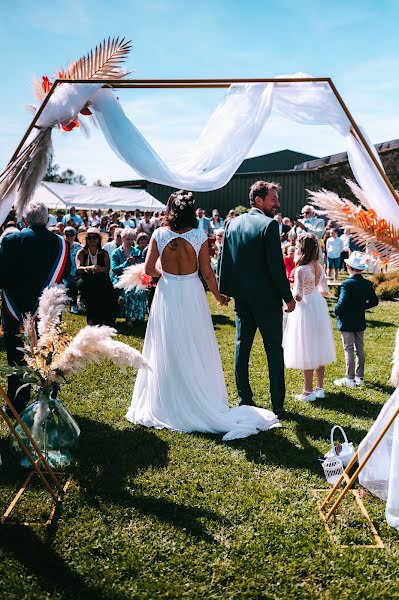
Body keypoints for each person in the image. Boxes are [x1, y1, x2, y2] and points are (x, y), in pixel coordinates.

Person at [126, 190, 280, 440]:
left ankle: (168, 397)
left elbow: (148, 269)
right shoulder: (198, 235)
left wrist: (165, 273)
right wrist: (219, 296)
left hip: (167, 293)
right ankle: (197, 393)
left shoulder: (158, 234)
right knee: (195, 343)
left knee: (167, 344)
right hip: (191, 292)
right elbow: (207, 273)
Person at [218, 181, 295, 418]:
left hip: (242, 299)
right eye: (273, 198)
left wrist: (225, 289)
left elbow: (224, 260)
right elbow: (275, 267)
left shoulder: (231, 223)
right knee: (274, 350)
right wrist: (287, 297)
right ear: (259, 200)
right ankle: (277, 404)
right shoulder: (270, 225)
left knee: (242, 347)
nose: (277, 203)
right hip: (266, 301)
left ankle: (244, 397)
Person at [0, 201, 70, 415]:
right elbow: (65, 275)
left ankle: (17, 404)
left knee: (17, 357)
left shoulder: (12, 240)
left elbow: (2, 278)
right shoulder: (61, 243)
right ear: (47, 219)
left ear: (24, 219)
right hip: (48, 308)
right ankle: (46, 401)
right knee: (48, 356)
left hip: (16, 308)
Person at [283, 234, 336, 401]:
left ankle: (308, 391)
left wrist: (290, 292)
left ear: (302, 249)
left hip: (305, 308)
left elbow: (298, 295)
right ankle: (320, 388)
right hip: (318, 305)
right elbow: (325, 290)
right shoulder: (319, 266)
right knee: (319, 345)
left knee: (307, 347)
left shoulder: (300, 269)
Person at [333, 251, 379, 387]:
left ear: (349, 267)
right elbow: (374, 301)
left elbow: (342, 303)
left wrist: (336, 311)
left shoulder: (346, 284)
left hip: (347, 321)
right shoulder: (366, 283)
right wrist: (362, 306)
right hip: (359, 320)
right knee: (359, 349)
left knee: (348, 349)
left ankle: (350, 378)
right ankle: (360, 377)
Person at [76, 227, 118, 326]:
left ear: (98, 239)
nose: (92, 240)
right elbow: (79, 268)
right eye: (89, 238)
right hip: (85, 278)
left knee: (107, 291)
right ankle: (92, 319)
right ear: (86, 240)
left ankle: (106, 319)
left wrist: (100, 269)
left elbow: (107, 269)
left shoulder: (104, 253)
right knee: (91, 290)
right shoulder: (81, 252)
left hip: (101, 278)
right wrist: (89, 268)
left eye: (95, 238)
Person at [111, 228, 147, 326]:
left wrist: (138, 263)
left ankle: (139, 316)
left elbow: (142, 266)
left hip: (134, 277)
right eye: (127, 239)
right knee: (129, 291)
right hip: (120, 278)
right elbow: (115, 270)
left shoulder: (137, 251)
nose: (130, 241)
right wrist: (126, 263)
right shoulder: (116, 252)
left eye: (132, 239)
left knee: (141, 291)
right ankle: (128, 318)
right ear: (122, 239)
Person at [63, 226, 82, 314]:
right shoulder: (61, 246)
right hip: (64, 273)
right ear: (64, 235)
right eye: (67, 235)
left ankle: (79, 303)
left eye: (72, 235)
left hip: (77, 272)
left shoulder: (79, 247)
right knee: (71, 284)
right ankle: (73, 304)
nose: (69, 237)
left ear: (75, 236)